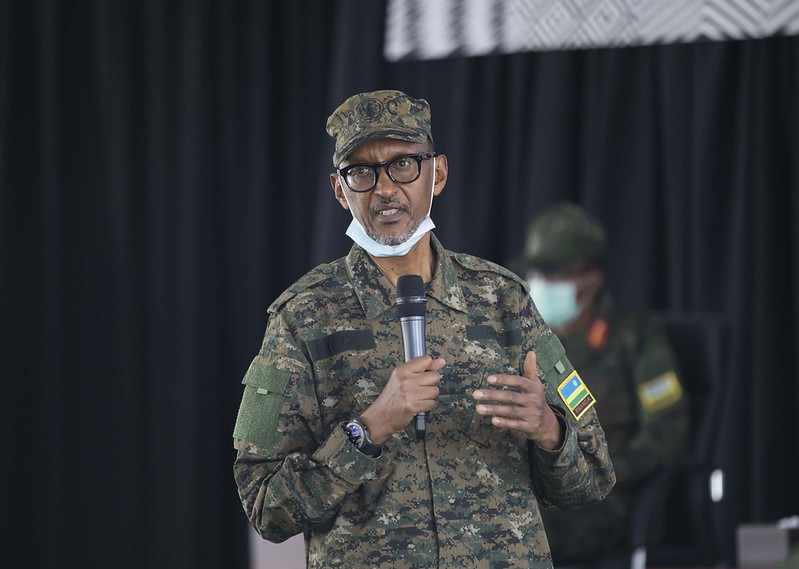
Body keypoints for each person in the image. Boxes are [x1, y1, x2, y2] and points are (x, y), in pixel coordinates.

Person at [232, 90, 616, 569]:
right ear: (339, 190)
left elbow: (595, 476)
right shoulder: (302, 316)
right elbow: (264, 505)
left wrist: (549, 429)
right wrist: (368, 428)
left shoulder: (504, 300)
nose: (385, 188)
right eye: (362, 173)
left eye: (404, 166)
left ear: (438, 173)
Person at [515, 202, 690, 566]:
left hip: (607, 500)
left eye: (557, 274)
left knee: (519, 528)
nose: (542, 283)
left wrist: (588, 471)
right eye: (537, 272)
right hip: (534, 486)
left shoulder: (635, 337)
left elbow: (666, 436)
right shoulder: (522, 335)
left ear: (591, 277)